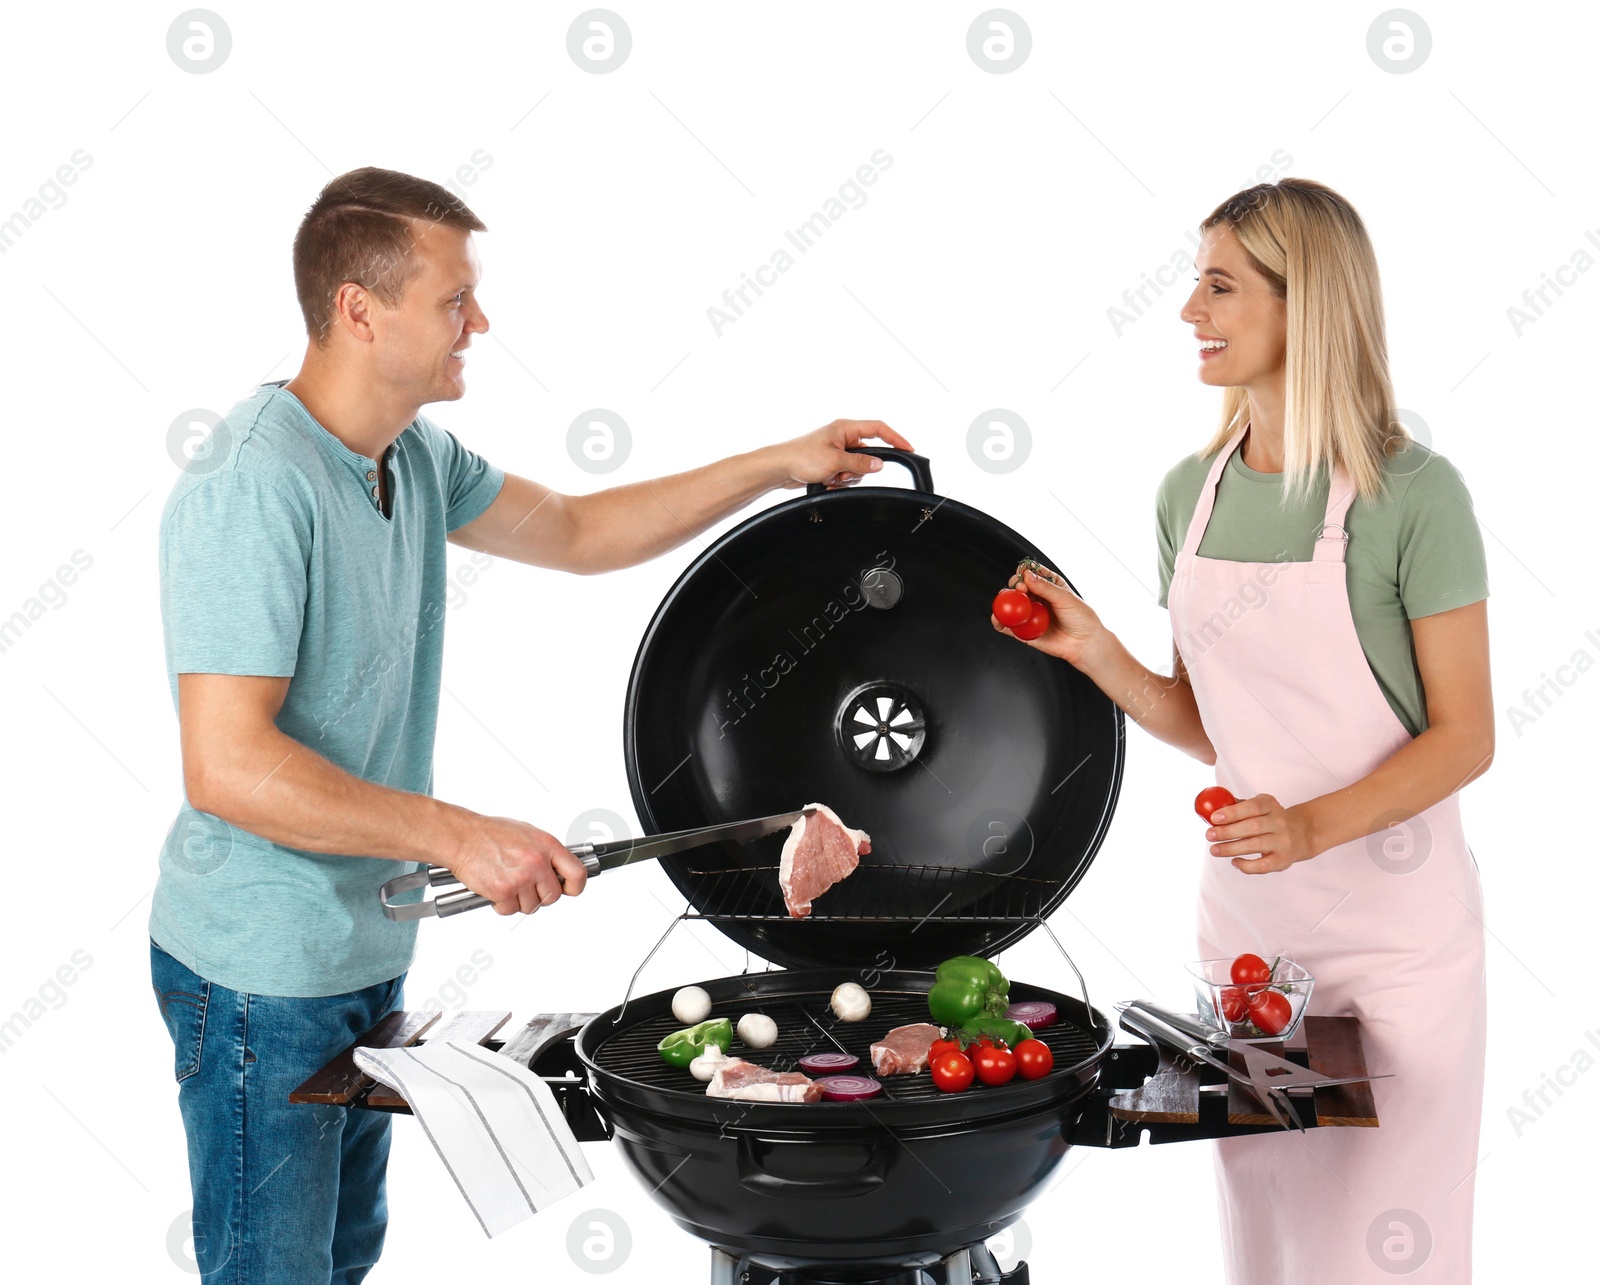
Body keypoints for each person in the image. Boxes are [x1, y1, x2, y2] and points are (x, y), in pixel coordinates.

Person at [149, 165, 911, 1285]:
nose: (481, 321)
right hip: (258, 969)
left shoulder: (407, 455)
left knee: (336, 1258)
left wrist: (775, 463)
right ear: (360, 311)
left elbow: (577, 527)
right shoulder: (253, 485)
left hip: (357, 948)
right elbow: (226, 764)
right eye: (456, 298)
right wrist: (461, 834)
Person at [998, 178, 1489, 1283]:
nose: (1188, 310)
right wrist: (1095, 652)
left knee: (1384, 1252)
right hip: (1256, 948)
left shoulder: (1412, 495)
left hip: (1396, 945)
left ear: (1303, 304)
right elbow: (1211, 719)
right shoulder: (1193, 493)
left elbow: (1463, 738)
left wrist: (1310, 824)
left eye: (1219, 286)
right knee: (1271, 1246)